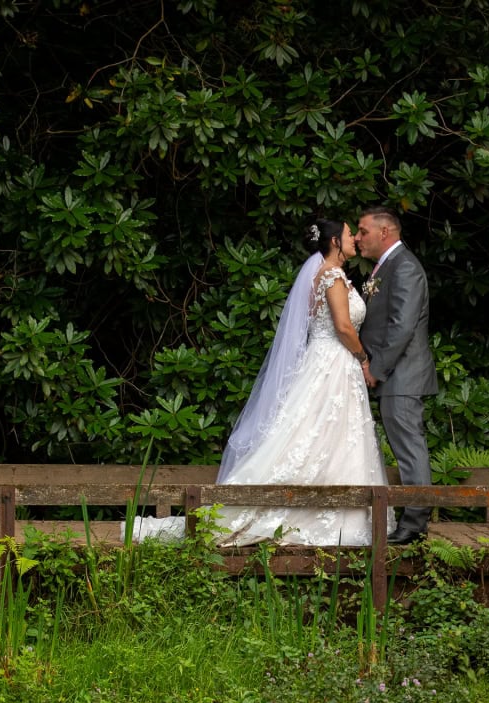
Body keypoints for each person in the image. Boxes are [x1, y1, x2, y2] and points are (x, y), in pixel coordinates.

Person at [127, 219, 394, 545]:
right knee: (324, 436)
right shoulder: (333, 276)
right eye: (350, 233)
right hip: (335, 364)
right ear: (336, 242)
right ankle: (325, 518)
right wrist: (364, 358)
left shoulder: (324, 275)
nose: (354, 238)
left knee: (328, 437)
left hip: (329, 364)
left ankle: (334, 515)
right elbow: (342, 326)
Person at [356, 206, 438, 545]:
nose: (359, 238)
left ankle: (415, 522)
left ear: (384, 232)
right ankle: (414, 519)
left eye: (363, 231)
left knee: (408, 446)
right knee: (405, 444)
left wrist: (376, 368)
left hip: (402, 375)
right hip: (396, 374)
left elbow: (402, 327)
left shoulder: (404, 266)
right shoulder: (388, 266)